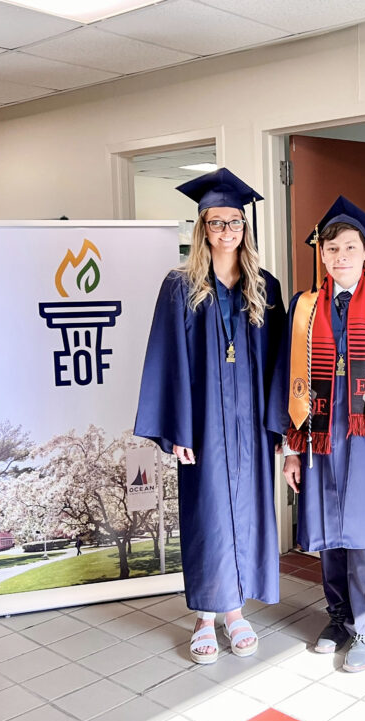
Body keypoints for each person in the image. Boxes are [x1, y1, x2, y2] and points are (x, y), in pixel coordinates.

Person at [135, 167, 288, 665]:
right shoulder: (179, 286)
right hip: (202, 425)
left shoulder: (265, 287)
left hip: (251, 425)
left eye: (235, 223)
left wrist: (280, 427)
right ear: (202, 228)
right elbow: (165, 358)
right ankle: (204, 615)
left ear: (246, 229)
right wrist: (177, 428)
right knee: (207, 516)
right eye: (216, 223)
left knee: (249, 512)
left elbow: (280, 363)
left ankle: (236, 612)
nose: (227, 232)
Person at [281, 196, 365, 673]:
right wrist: (292, 451)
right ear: (321, 254)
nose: (339, 257)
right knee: (326, 534)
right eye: (330, 248)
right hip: (319, 439)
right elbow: (289, 381)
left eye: (348, 248)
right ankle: (337, 617)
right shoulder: (302, 308)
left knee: (360, 537)